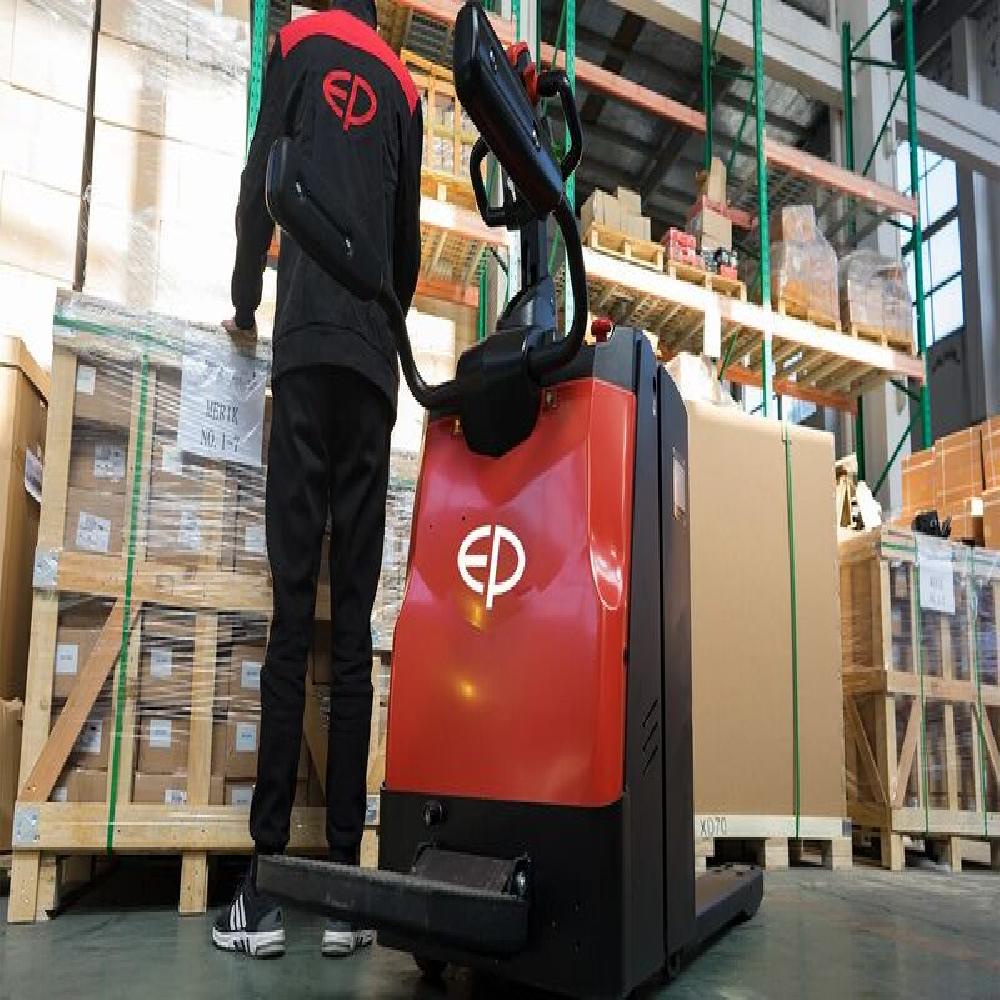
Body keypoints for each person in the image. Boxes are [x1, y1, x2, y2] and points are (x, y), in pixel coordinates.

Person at [211, 0, 422, 960]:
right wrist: (376, 329)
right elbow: (406, 250)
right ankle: (346, 889)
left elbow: (261, 180)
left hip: (301, 353)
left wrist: (246, 299)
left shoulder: (295, 45)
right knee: (353, 630)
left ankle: (261, 887)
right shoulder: (405, 87)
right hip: (371, 374)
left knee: (292, 614)